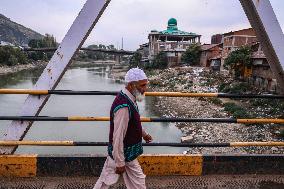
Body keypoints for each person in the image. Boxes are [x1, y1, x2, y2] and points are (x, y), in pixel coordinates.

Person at [94, 68, 153, 189]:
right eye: (142, 85)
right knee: (107, 181)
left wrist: (144, 134)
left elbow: (133, 123)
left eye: (146, 84)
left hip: (126, 153)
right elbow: (118, 135)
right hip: (123, 153)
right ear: (132, 85)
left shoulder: (130, 98)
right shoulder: (124, 106)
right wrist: (120, 162)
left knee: (107, 181)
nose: (145, 88)